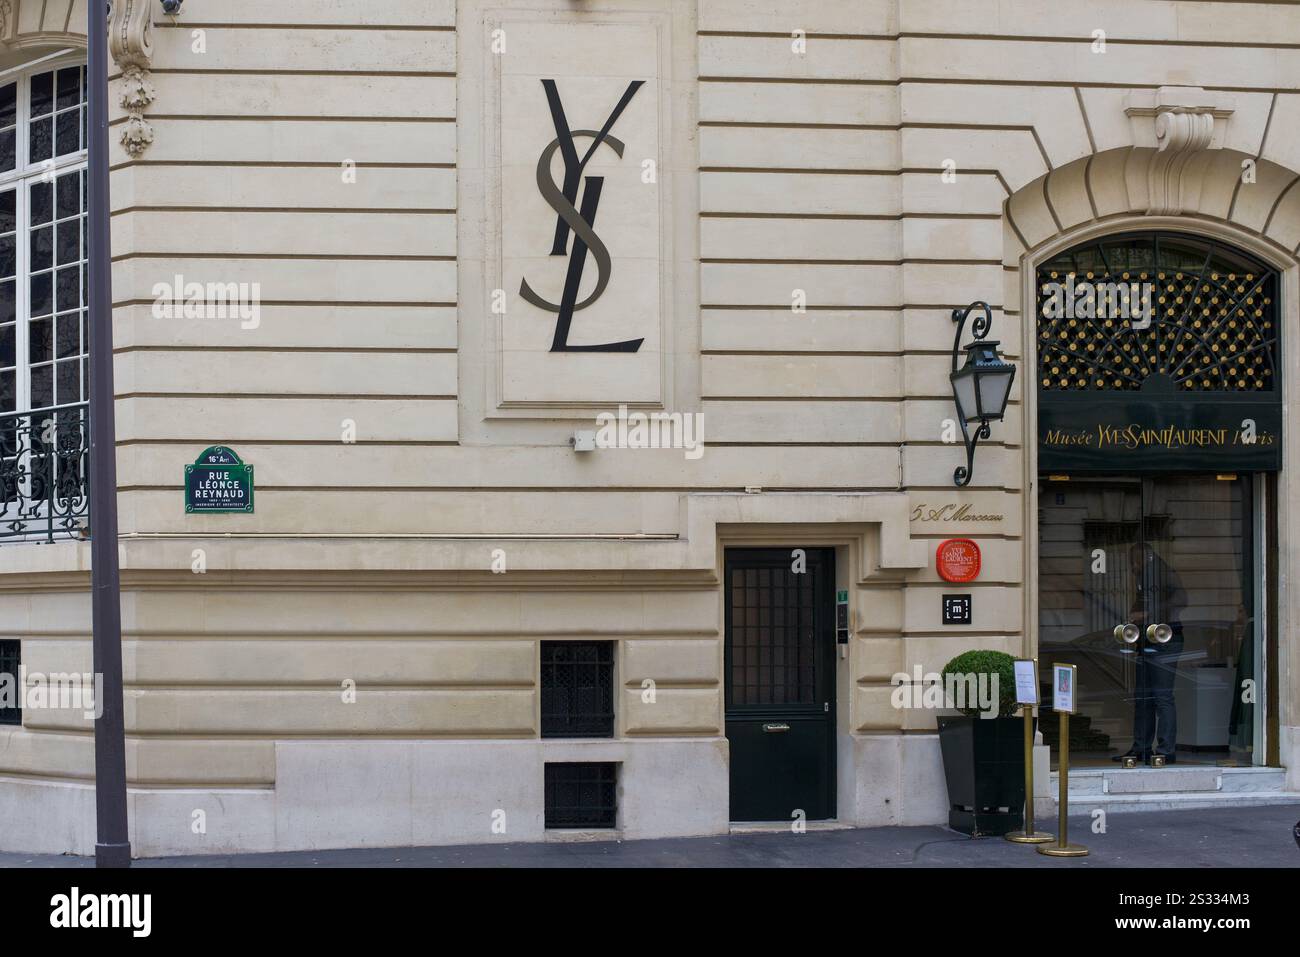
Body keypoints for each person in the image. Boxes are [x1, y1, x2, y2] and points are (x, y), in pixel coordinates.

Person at [1113, 541, 1186, 764]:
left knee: (1162, 697)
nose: (1131, 566)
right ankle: (1142, 748)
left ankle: (1165, 750)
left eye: (1133, 561)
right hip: (1147, 639)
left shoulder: (1162, 572)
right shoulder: (1146, 576)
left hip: (1164, 638)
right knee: (1143, 697)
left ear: (1144, 557)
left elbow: (1182, 600)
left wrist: (1146, 614)